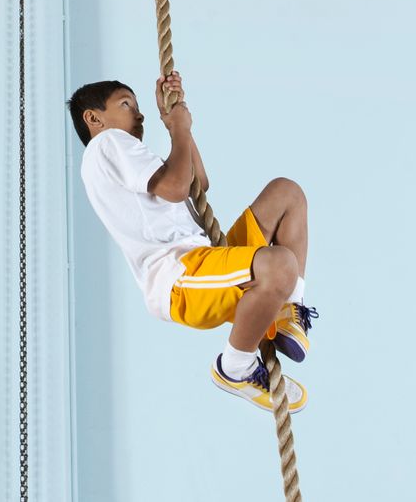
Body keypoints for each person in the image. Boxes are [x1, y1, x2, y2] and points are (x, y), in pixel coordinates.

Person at [70, 71, 314, 413]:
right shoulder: (107, 144)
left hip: (208, 263)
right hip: (181, 277)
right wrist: (179, 128)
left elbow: (199, 182)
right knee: (279, 265)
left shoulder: (131, 160)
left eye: (138, 107)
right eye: (126, 104)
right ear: (93, 118)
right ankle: (235, 367)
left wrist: (175, 121)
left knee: (286, 193)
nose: (138, 114)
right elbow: (175, 188)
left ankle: (288, 311)